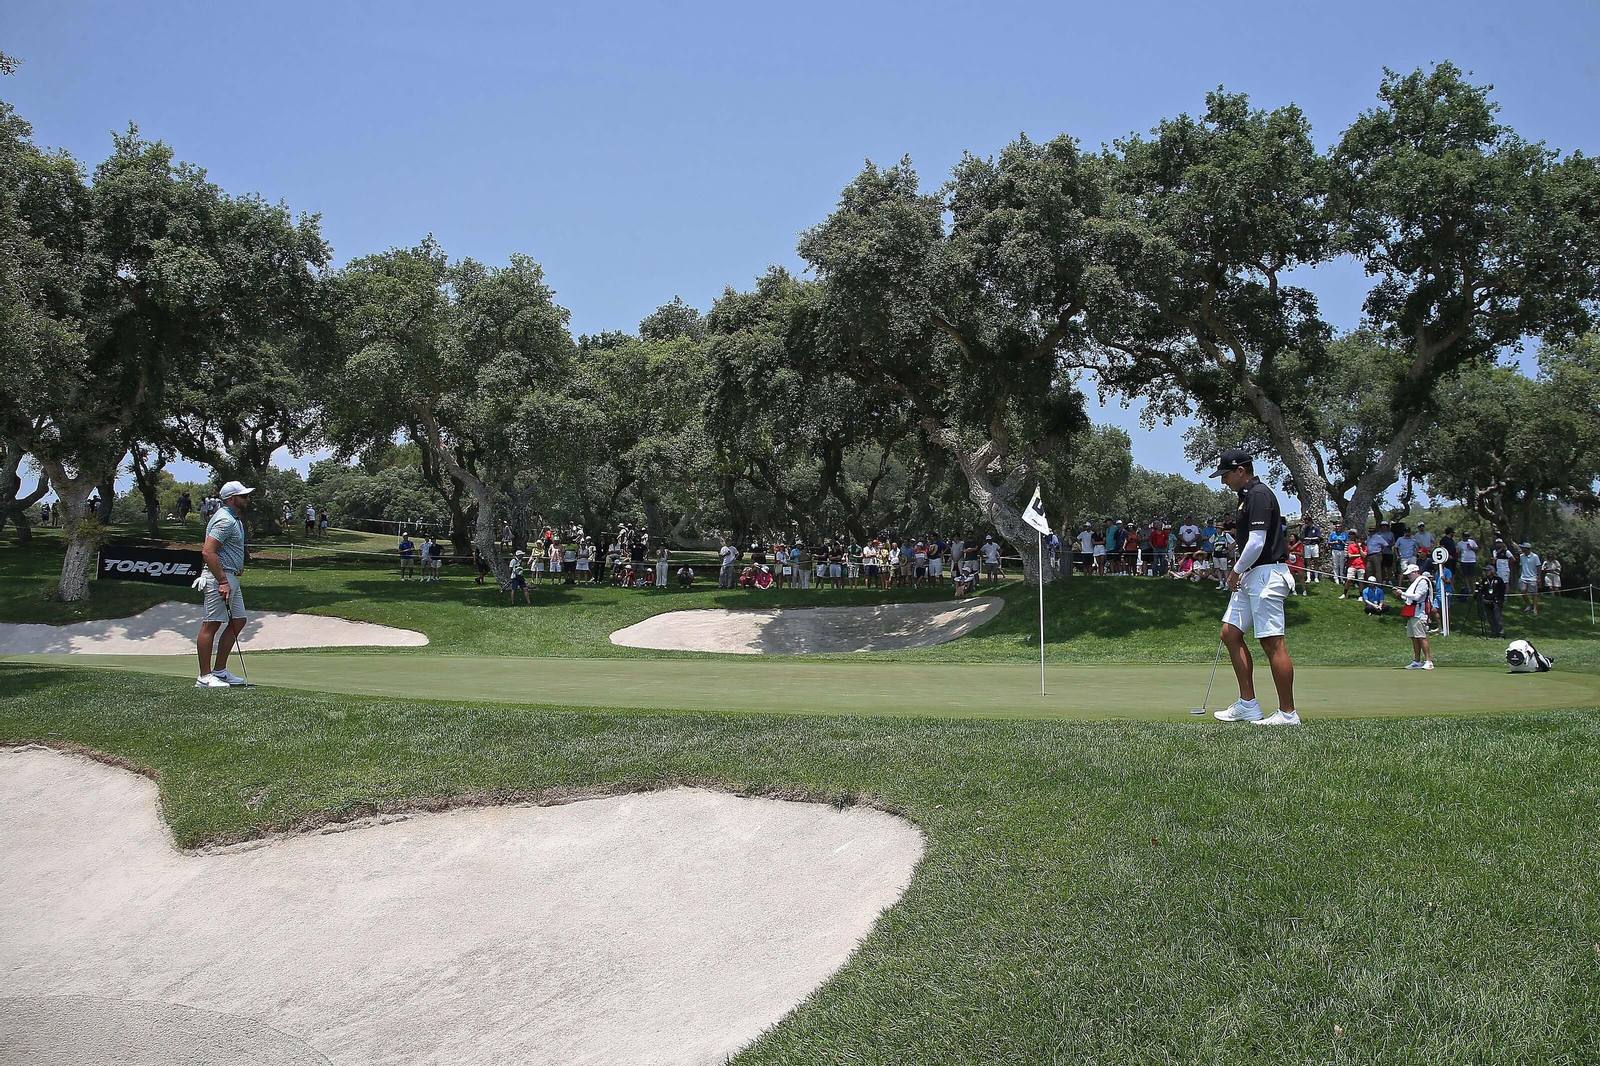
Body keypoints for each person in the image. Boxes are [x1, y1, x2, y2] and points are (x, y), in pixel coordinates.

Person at [1208, 450, 1299, 726]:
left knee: (1272, 642)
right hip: (1252, 574)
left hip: (1266, 575)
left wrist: (1234, 572)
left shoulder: (1258, 495)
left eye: (1225, 475)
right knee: (1230, 632)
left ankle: (1287, 713)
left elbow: (1258, 543)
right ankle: (1248, 704)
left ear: (1240, 470)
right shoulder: (1245, 498)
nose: (1224, 481)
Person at [195, 481, 256, 689]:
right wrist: (222, 581)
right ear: (231, 499)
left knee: (238, 620)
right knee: (211, 624)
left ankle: (219, 671)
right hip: (219, 578)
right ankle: (204, 677)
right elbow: (207, 552)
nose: (247, 499)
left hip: (231, 578)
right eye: (243, 496)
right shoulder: (225, 520)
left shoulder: (233, 518)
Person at [1399, 562, 1435, 669]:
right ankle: (1417, 661)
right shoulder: (1414, 582)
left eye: (1410, 574)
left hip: (1420, 613)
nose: (1409, 576)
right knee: (1414, 637)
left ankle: (1429, 661)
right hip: (1412, 612)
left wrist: (1403, 593)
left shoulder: (1423, 581)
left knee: (1421, 637)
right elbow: (1408, 599)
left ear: (1415, 572)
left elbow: (1417, 597)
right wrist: (1400, 594)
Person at [1477, 568, 1507, 638]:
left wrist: (1501, 600)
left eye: (1488, 570)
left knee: (1498, 618)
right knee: (1490, 618)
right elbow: (1482, 590)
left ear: (1492, 571)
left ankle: (1501, 633)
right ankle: (1494, 632)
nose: (1487, 572)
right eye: (1486, 571)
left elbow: (1502, 590)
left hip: (1496, 601)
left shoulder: (1498, 580)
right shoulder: (1484, 580)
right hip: (1487, 601)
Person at [1515, 541, 1542, 614]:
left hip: (1532, 577)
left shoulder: (1535, 556)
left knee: (1534, 593)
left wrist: (1539, 578)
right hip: (1523, 577)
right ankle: (1528, 605)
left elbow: (1539, 566)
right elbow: (1521, 566)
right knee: (1522, 591)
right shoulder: (1521, 556)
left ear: (1526, 549)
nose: (1521, 549)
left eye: (1522, 548)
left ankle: (1535, 609)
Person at [1301, 519, 1323, 585]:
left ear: (1311, 522)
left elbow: (1318, 537)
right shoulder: (1305, 529)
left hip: (1314, 545)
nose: (1306, 523)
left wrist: (1310, 538)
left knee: (1316, 561)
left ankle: (1316, 577)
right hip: (1307, 545)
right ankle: (1308, 577)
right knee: (1308, 562)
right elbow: (1303, 537)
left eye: (1307, 522)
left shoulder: (1316, 528)